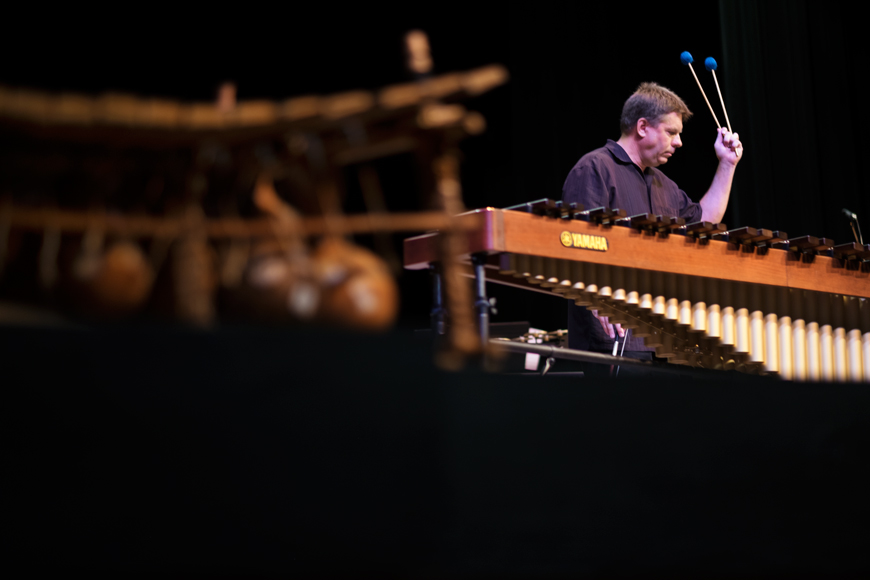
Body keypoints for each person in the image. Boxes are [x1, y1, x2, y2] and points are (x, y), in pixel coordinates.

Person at [562, 82, 743, 359]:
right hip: (613, 339)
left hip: (661, 339)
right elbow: (575, 241)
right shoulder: (595, 168)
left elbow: (703, 223)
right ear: (642, 127)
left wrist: (727, 165)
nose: (679, 142)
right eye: (671, 132)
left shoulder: (664, 185)